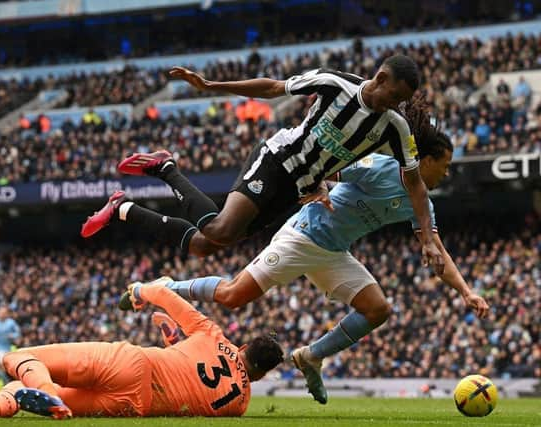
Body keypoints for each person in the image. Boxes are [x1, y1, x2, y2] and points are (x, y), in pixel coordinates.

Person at [117, 100, 489, 404]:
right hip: (305, 236)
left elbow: (436, 249)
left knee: (379, 309)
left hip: (334, 252)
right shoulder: (383, 168)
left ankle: (311, 356)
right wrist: (319, 185)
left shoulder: (422, 204)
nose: (447, 172)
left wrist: (466, 291)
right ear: (426, 160)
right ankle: (167, 286)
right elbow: (332, 166)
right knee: (232, 296)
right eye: (445, 164)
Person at [81, 54, 444, 275]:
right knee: (221, 230)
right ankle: (165, 168)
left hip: (299, 189)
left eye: (401, 101)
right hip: (278, 160)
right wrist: (209, 85)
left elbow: (414, 184)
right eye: (393, 96)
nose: (392, 105)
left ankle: (122, 210)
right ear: (380, 79)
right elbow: (273, 88)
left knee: (206, 247)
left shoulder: (394, 127)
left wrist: (427, 239)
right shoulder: (334, 83)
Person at [0, 280, 283, 419]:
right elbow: (194, 376)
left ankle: (45, 394)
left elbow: (162, 292)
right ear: (263, 373)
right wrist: (173, 339)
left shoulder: (215, 335)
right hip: (134, 404)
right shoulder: (240, 404)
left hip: (130, 364)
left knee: (15, 359)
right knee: (24, 389)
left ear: (245, 343)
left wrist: (137, 293)